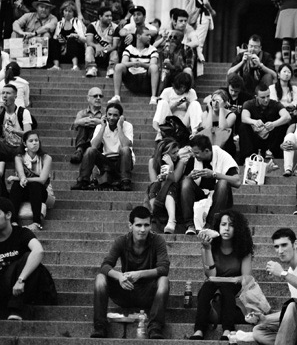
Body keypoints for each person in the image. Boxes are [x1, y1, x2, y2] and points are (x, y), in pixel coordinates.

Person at [91, 206, 170, 339]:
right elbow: (105, 265)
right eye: (138, 225)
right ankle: (100, 326)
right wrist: (120, 277)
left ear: (151, 226)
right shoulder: (121, 241)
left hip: (147, 292)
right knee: (100, 278)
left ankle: (155, 326)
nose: (143, 229)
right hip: (125, 290)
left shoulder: (158, 241)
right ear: (130, 225)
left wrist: (139, 274)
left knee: (164, 280)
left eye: (146, 225)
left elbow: (164, 268)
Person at [189, 209, 253, 341]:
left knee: (226, 288)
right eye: (223, 224)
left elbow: (247, 277)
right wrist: (207, 249)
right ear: (218, 226)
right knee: (206, 288)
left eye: (231, 225)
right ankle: (199, 330)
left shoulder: (244, 248)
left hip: (233, 286)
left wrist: (234, 279)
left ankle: (227, 330)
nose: (227, 228)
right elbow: (211, 274)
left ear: (238, 229)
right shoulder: (209, 246)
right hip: (214, 284)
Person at [0, 196, 53, 321]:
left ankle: (16, 309)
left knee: (29, 257)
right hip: (4, 287)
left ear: (8, 215)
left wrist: (21, 279)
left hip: (22, 287)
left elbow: (38, 251)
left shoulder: (21, 233)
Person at [181, 135, 241, 236]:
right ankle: (190, 225)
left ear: (207, 151)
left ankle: (210, 224)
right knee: (186, 182)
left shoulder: (223, 156)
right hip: (199, 194)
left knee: (223, 182)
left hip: (219, 196)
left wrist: (214, 174)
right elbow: (183, 182)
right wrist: (190, 177)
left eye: (197, 153)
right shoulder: (194, 158)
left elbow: (237, 182)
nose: (195, 156)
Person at [72, 101, 133, 191]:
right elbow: (94, 146)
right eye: (109, 114)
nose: (111, 118)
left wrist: (119, 127)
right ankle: (83, 181)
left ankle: (125, 182)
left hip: (123, 161)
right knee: (89, 150)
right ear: (106, 115)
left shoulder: (127, 126)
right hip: (107, 161)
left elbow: (126, 145)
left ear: (120, 117)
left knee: (125, 150)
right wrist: (103, 127)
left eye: (115, 115)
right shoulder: (101, 126)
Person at [8, 131, 51, 231]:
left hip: (41, 192)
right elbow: (21, 173)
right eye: (31, 141)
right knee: (17, 185)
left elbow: (42, 179)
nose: (34, 143)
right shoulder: (19, 157)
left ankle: (36, 222)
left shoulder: (46, 158)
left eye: (36, 140)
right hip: (24, 190)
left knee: (34, 184)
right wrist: (21, 178)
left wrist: (18, 178)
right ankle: (13, 222)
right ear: (24, 143)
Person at [239, 83, 290, 165]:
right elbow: (244, 118)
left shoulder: (275, 104)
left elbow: (287, 117)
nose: (266, 100)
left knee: (283, 124)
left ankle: (272, 152)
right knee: (243, 126)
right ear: (256, 97)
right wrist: (254, 122)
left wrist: (274, 124)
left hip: (271, 138)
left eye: (268, 96)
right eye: (263, 97)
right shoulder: (249, 104)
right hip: (255, 137)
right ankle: (248, 157)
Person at [147, 139, 187, 235]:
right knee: (154, 185)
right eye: (173, 152)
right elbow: (154, 181)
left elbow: (175, 179)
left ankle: (172, 220)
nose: (177, 154)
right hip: (158, 193)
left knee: (171, 184)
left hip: (174, 195)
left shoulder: (180, 162)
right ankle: (155, 213)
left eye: (177, 151)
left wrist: (171, 166)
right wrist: (161, 179)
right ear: (165, 154)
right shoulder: (153, 161)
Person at [111, 28, 160, 105]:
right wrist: (133, 64)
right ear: (139, 36)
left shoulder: (153, 49)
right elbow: (123, 63)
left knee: (154, 67)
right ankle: (116, 96)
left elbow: (153, 64)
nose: (150, 37)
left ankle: (153, 97)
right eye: (147, 35)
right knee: (118, 66)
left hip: (145, 80)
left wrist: (141, 64)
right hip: (131, 79)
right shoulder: (129, 48)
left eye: (150, 35)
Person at [152, 72, 204, 141]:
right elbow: (163, 110)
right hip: (170, 120)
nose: (182, 89)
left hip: (184, 121)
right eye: (181, 87)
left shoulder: (191, 92)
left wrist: (188, 104)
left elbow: (193, 111)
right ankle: (159, 131)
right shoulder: (167, 91)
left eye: (184, 87)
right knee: (162, 103)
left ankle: (195, 132)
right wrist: (176, 105)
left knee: (195, 103)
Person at [0, 84, 32, 178]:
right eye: (3, 93)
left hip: (19, 147)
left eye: (8, 93)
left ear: (15, 96)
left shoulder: (23, 112)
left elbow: (29, 134)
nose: (5, 96)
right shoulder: (1, 112)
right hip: (5, 147)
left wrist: (14, 131)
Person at [47, 0, 86, 70]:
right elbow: (55, 37)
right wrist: (59, 40)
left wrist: (76, 36)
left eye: (70, 11)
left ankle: (75, 66)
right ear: (63, 11)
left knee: (71, 39)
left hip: (76, 51)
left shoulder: (77, 22)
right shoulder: (60, 23)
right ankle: (56, 65)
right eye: (66, 11)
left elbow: (84, 39)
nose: (67, 13)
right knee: (53, 41)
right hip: (63, 51)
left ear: (73, 13)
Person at [188, 0, 215, 66]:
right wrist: (212, 10)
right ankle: (196, 65)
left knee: (197, 39)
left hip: (198, 17)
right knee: (200, 42)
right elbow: (205, 2)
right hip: (203, 17)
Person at [200, 88, 238, 156]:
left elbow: (222, 128)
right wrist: (210, 109)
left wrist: (221, 108)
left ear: (224, 102)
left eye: (218, 101)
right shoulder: (205, 114)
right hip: (210, 145)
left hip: (226, 146)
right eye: (214, 101)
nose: (215, 104)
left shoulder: (231, 115)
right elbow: (207, 128)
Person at [70, 86, 103, 164]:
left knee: (99, 126)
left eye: (100, 96)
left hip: (99, 141)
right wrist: (82, 121)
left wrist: (98, 122)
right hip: (85, 137)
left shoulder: (106, 112)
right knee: (82, 123)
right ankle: (79, 150)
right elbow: (75, 125)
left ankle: (85, 149)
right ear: (88, 98)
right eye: (95, 96)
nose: (98, 98)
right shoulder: (82, 113)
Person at [85, 7, 119, 78]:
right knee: (89, 48)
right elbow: (89, 42)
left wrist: (105, 50)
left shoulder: (115, 27)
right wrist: (97, 46)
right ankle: (91, 68)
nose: (110, 18)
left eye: (110, 16)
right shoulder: (92, 26)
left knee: (114, 52)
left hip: (108, 54)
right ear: (100, 17)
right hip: (96, 55)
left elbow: (115, 45)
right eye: (107, 16)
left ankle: (111, 69)